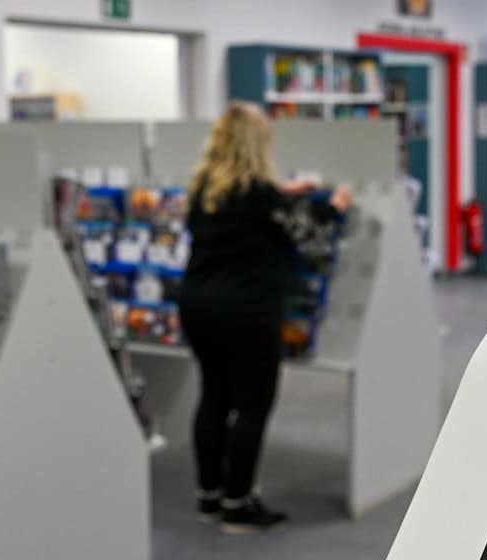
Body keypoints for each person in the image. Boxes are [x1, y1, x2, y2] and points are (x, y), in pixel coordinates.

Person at [179, 102, 352, 534]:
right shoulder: (262, 196)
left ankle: (210, 497)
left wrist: (285, 191)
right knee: (254, 404)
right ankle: (240, 506)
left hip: (198, 305)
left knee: (213, 396)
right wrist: (335, 205)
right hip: (247, 309)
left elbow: (255, 211)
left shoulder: (202, 190)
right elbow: (308, 234)